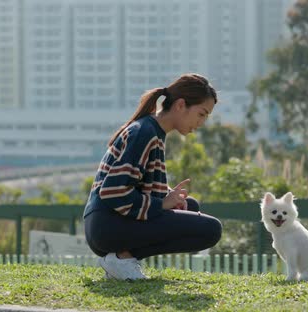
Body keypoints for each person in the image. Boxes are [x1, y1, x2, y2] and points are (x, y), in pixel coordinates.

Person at [83, 73, 223, 281]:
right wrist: (162, 204)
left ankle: (122, 259)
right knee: (211, 229)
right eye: (201, 114)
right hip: (106, 225)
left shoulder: (154, 131)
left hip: (109, 224)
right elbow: (113, 192)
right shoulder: (144, 132)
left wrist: (168, 196)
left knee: (188, 206)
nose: (201, 122)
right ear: (180, 105)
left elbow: (135, 184)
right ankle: (121, 260)